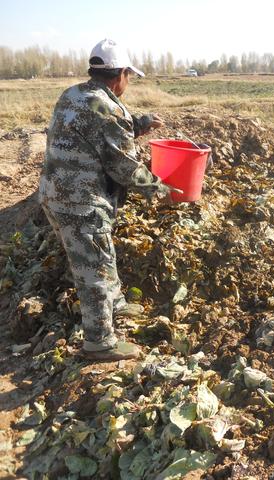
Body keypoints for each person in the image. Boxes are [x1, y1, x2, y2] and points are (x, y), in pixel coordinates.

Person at [39, 39, 174, 361]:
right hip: (80, 204)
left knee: (101, 254)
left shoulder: (73, 94)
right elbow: (123, 166)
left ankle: (116, 304)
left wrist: (139, 124)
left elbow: (93, 128)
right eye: (130, 77)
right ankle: (99, 343)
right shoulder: (108, 107)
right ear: (121, 74)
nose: (128, 83)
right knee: (94, 271)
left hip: (54, 195)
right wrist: (161, 190)